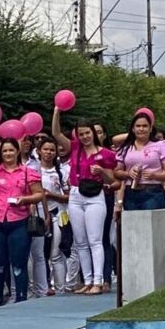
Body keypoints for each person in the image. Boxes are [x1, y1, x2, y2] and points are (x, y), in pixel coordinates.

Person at [51, 111, 118, 295]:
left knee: (95, 240)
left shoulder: (106, 154)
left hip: (96, 196)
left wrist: (101, 171)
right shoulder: (74, 148)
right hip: (75, 194)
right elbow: (56, 133)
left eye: (87, 133)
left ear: (93, 133)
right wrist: (57, 111)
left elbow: (113, 181)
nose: (85, 137)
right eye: (81, 134)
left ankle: (98, 280)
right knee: (80, 241)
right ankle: (87, 280)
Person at [0, 137, 45, 304]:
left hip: (19, 221)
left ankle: (21, 299)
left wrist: (25, 199)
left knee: (19, 264)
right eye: (4, 151)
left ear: (17, 151)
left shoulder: (27, 172)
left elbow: (39, 194)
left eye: (11, 150)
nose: (8, 154)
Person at [113, 112, 165, 211]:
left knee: (151, 225)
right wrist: (128, 173)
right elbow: (117, 172)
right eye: (138, 126)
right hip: (130, 193)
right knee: (134, 225)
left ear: (150, 129)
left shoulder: (161, 146)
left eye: (145, 126)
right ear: (133, 129)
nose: (141, 129)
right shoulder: (125, 148)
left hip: (153, 192)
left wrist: (155, 175)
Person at [37, 136, 70, 294]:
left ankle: (60, 289)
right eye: (45, 149)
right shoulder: (32, 170)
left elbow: (69, 196)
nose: (48, 153)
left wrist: (51, 195)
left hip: (59, 214)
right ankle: (42, 288)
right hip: (38, 216)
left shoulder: (62, 172)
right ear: (39, 151)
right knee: (39, 254)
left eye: (52, 150)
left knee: (56, 254)